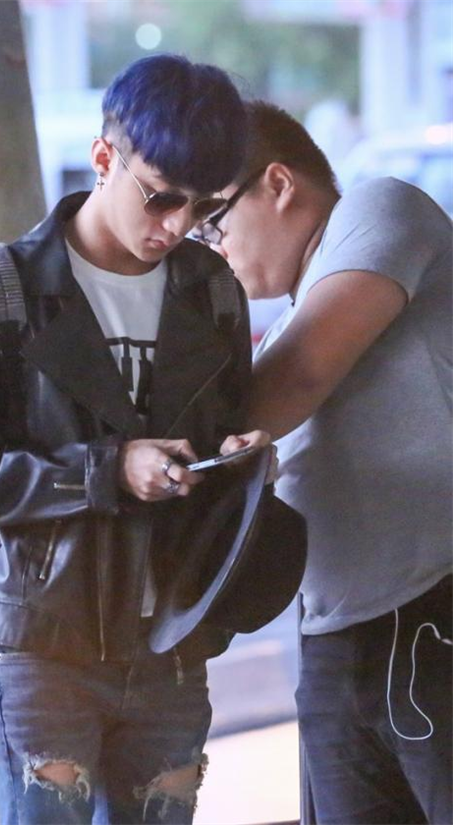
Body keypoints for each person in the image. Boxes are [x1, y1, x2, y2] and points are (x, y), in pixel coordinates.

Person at [0, 56, 269, 825]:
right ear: (103, 157)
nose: (178, 225)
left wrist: (237, 463)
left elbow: (217, 443)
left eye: (205, 206)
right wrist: (108, 470)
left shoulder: (211, 291)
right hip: (46, 648)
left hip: (173, 641)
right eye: (163, 196)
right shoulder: (1, 290)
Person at [201, 100, 453, 825]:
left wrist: (174, 451)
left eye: (214, 220)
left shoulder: (380, 208)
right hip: (333, 641)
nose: (212, 246)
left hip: (432, 614)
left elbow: (302, 373)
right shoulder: (287, 320)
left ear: (278, 183)